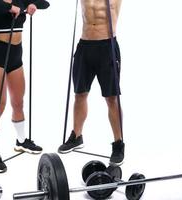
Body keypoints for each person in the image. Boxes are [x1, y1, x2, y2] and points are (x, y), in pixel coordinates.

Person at [0, 0, 49, 173]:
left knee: (18, 102)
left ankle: (21, 141)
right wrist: (11, 8)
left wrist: (32, 4)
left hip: (16, 57)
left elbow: (45, 3)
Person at [58, 0, 125, 166]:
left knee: (112, 98)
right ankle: (77, 136)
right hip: (85, 45)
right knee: (79, 94)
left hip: (107, 46)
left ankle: (118, 143)